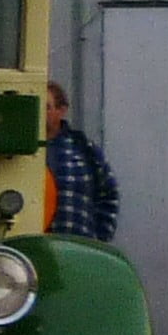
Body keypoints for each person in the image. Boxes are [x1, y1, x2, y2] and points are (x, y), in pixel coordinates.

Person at [45, 79, 120, 240]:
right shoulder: (18, 154)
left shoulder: (84, 149)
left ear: (61, 111)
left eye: (46, 107)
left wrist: (98, 241)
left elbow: (109, 195)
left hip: (77, 244)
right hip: (32, 247)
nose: (39, 113)